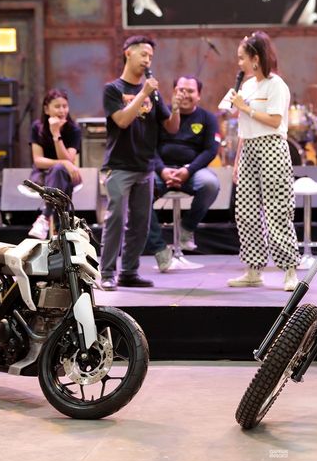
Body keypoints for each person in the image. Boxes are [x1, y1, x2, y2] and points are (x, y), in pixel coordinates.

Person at [99, 35, 177, 291]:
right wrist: (143, 92)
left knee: (140, 223)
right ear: (128, 53)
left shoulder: (154, 94)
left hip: (145, 167)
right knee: (116, 219)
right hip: (120, 165)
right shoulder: (113, 89)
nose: (147, 60)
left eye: (150, 57)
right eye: (143, 54)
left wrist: (175, 108)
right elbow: (122, 121)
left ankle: (129, 272)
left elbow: (171, 127)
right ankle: (107, 272)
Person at [226, 31, 299, 292]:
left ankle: (289, 270)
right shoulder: (246, 86)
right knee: (245, 211)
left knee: (277, 210)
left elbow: (275, 120)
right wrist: (237, 160)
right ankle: (253, 270)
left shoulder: (275, 84)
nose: (240, 63)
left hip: (271, 147)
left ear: (255, 58)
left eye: (242, 58)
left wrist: (244, 107)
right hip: (248, 148)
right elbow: (244, 127)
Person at [145, 76, 220, 255]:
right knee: (140, 187)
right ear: (173, 92)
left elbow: (210, 150)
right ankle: (157, 243)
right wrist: (162, 170)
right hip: (161, 171)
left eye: (191, 91)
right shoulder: (160, 114)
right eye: (181, 90)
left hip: (193, 172)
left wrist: (188, 170)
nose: (185, 94)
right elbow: (148, 146)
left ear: (199, 95)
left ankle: (187, 228)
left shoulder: (208, 118)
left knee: (210, 184)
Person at [27, 88, 82, 239]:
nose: (62, 110)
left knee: (59, 172)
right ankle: (62, 227)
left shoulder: (74, 129)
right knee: (59, 171)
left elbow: (69, 160)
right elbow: (38, 161)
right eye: (57, 106)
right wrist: (63, 162)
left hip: (67, 175)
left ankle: (44, 217)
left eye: (65, 106)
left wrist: (56, 134)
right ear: (46, 109)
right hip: (42, 175)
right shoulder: (37, 127)